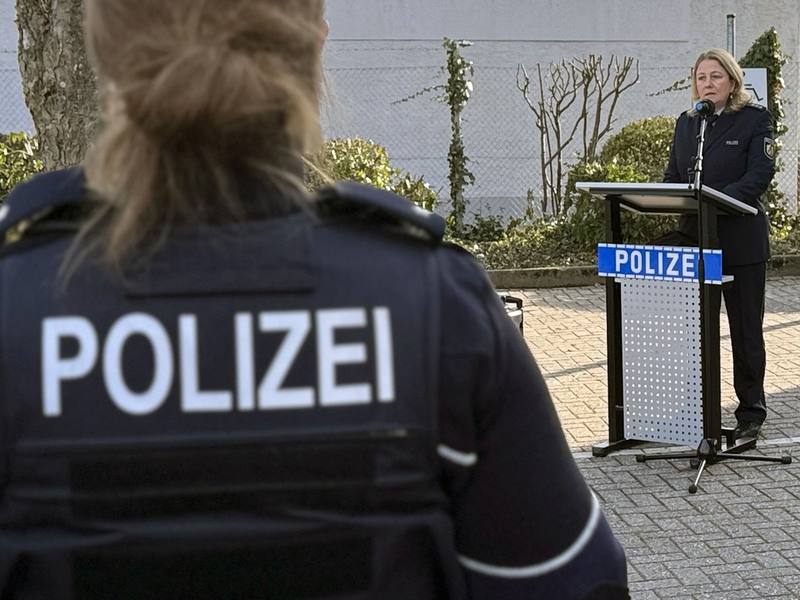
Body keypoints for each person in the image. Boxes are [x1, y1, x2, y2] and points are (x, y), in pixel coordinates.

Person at [0, 1, 629, 598]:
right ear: (315, 40)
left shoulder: (16, 304)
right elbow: (574, 582)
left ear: (103, 48)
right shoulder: (434, 305)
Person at [663, 48, 776, 441]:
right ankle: (697, 409)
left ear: (732, 82)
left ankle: (750, 412)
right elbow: (673, 178)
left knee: (745, 332)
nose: (707, 84)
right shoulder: (687, 123)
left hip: (741, 243)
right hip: (697, 242)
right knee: (695, 332)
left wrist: (714, 200)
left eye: (715, 77)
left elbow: (759, 174)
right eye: (700, 77)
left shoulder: (754, 120)